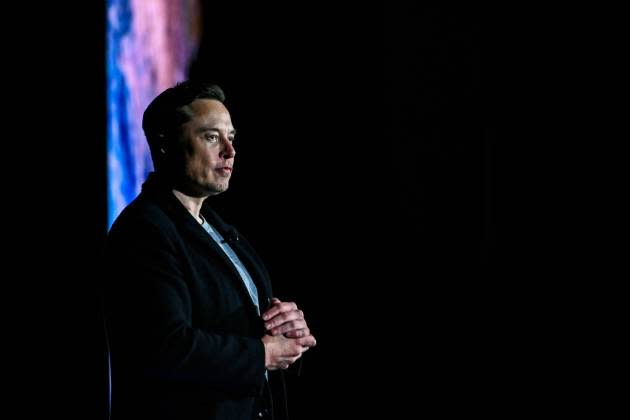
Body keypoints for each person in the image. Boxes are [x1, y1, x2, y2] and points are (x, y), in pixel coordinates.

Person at [102, 80, 317, 420]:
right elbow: (164, 347)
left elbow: (242, 324)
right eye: (211, 136)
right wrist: (262, 354)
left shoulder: (217, 227)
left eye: (231, 138)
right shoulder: (145, 231)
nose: (229, 152)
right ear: (165, 143)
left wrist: (288, 332)